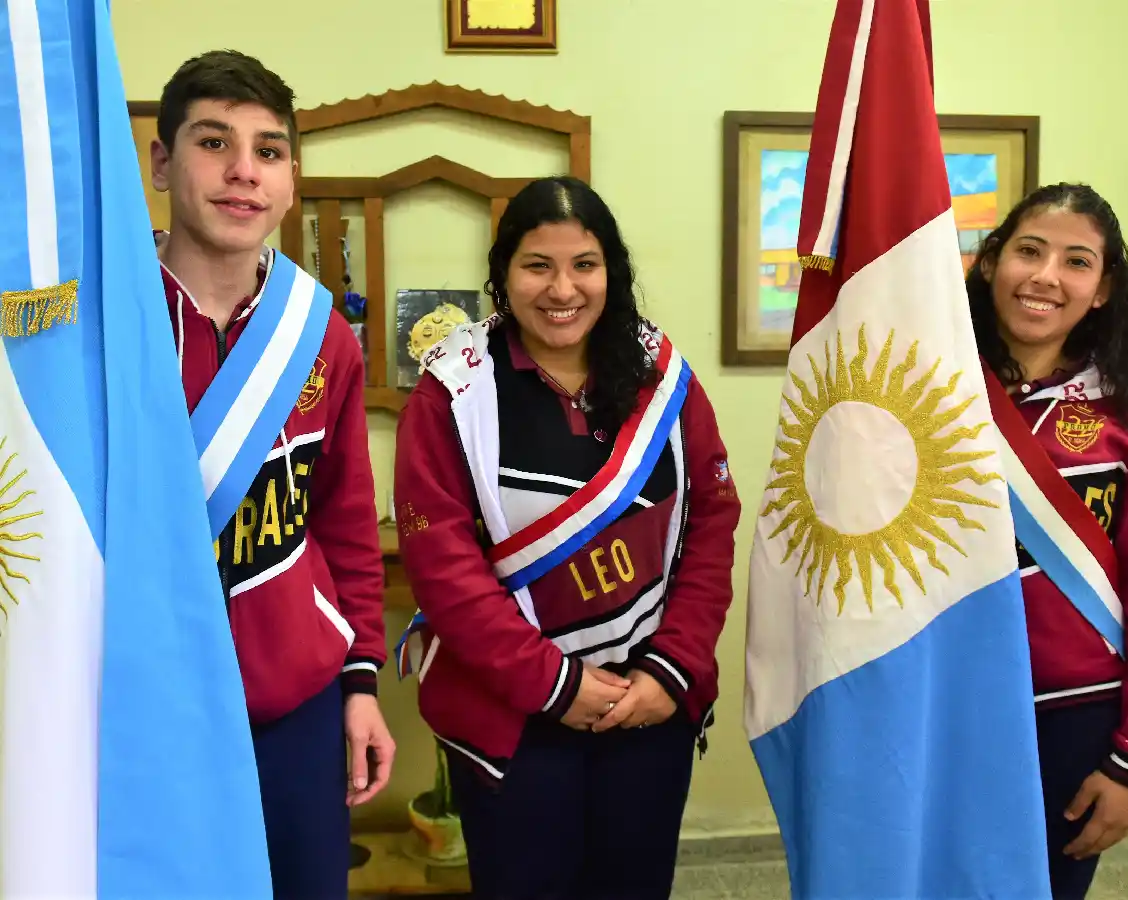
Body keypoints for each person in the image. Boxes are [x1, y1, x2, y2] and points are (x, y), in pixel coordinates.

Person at [392, 175, 740, 899]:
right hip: (515, 715)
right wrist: (556, 685)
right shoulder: (453, 390)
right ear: (502, 274)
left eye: (584, 264)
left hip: (647, 705)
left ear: (612, 270)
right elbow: (444, 567)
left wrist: (670, 669)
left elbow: (711, 520)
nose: (562, 289)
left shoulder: (661, 375)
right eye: (537, 265)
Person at [149, 50, 395, 898]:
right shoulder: (104, 326)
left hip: (294, 708)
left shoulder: (321, 334)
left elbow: (345, 523)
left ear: (291, 176)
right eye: (213, 142)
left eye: (268, 149)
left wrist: (361, 682)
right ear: (160, 161)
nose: (242, 171)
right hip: (142, 708)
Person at [966, 182, 1128, 898]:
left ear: (1101, 291)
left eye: (1076, 261)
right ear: (989, 263)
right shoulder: (923, 389)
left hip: (1070, 720)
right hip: (932, 704)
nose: (1045, 277)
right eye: (1029, 251)